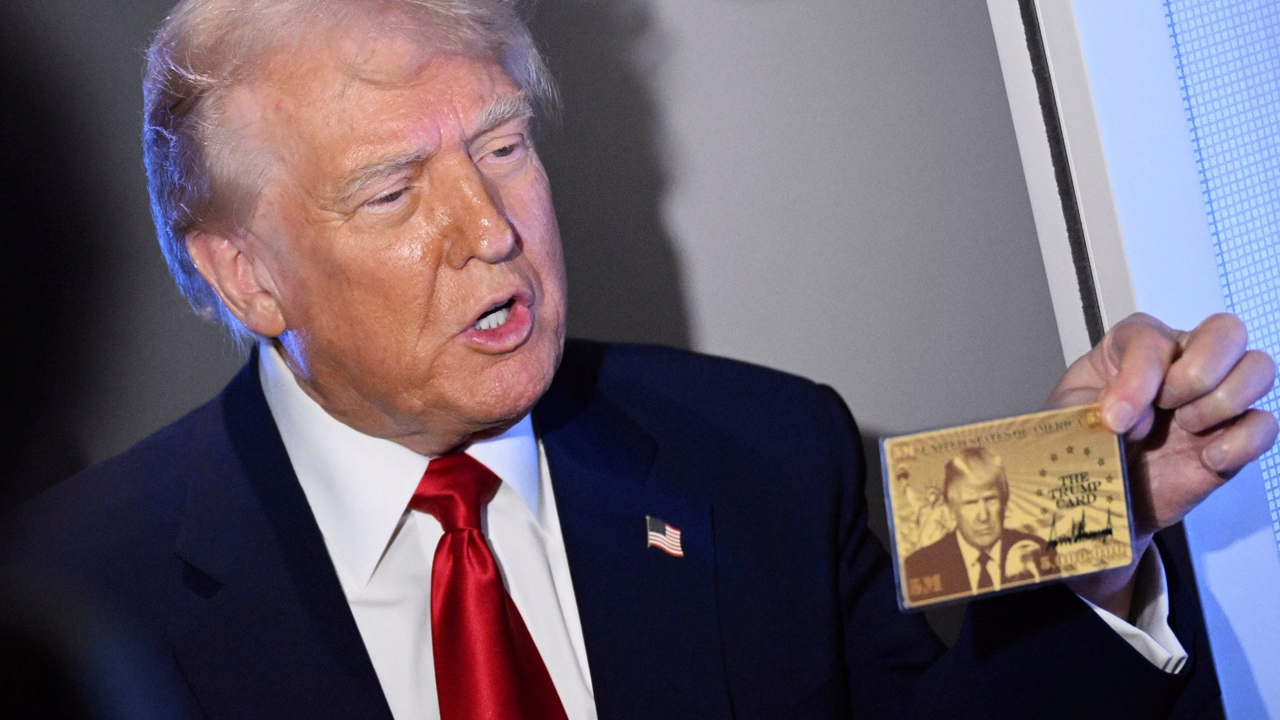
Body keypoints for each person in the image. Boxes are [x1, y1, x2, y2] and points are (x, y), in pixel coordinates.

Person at [1, 0, 1276, 718]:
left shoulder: (771, 455)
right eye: (393, 191)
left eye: (500, 147)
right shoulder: (70, 591)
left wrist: (1083, 540)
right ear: (243, 272)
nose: (490, 229)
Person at [903, 448, 1058, 603]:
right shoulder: (918, 566)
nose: (983, 516)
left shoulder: (1040, 551)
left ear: (1005, 500)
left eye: (990, 499)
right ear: (951, 507)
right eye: (970, 503)